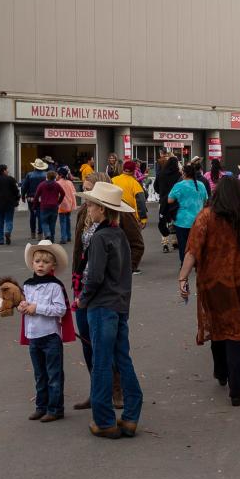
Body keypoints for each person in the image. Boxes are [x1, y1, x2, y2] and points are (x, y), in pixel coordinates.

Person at [179, 175, 240, 406]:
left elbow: (192, 250)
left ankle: (221, 372)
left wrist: (182, 277)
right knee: (235, 332)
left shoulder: (206, 217)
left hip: (212, 284)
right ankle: (236, 389)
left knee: (217, 325)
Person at [77, 182, 141, 439]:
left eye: (92, 204)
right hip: (119, 303)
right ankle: (131, 416)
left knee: (102, 362)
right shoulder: (119, 235)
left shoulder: (100, 237)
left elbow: (94, 276)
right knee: (122, 358)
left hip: (102, 305)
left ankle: (104, 420)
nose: (89, 208)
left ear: (102, 210)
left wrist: (83, 299)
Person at [18, 239, 74, 423]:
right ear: (32, 263)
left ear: (53, 265)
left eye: (45, 262)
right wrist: (22, 306)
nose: (41, 265)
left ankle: (55, 408)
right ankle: (41, 407)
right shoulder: (27, 285)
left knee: (54, 375)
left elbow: (61, 309)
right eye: (37, 261)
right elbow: (24, 305)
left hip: (50, 336)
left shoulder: (55, 286)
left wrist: (37, 308)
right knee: (39, 374)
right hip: (34, 336)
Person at [168, 162, 209, 265]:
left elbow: (170, 200)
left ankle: (184, 263)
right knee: (198, 243)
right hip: (198, 220)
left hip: (182, 220)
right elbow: (206, 200)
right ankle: (198, 262)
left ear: (184, 173)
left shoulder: (179, 185)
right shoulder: (201, 185)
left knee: (183, 245)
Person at [154, 156, 182, 254]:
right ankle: (175, 242)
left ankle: (165, 243)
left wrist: (162, 193)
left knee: (164, 222)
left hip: (163, 201)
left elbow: (155, 187)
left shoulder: (161, 174)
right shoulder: (179, 175)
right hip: (175, 202)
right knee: (174, 221)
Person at [32, 166, 66, 244]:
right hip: (54, 206)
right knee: (52, 223)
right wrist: (58, 202)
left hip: (44, 206)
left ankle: (47, 234)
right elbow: (63, 193)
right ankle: (52, 238)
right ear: (54, 177)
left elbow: (36, 196)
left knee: (44, 222)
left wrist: (34, 206)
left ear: (47, 176)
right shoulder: (57, 185)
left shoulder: (42, 185)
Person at [0, 164, 21, 245]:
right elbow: (16, 191)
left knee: (0, 221)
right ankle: (7, 231)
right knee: (9, 219)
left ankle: (0, 240)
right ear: (3, 171)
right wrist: (17, 200)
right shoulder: (11, 179)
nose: (8, 171)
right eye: (7, 170)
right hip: (9, 203)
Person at [20, 159, 49, 239]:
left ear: (34, 167)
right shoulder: (46, 175)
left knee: (32, 215)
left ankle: (32, 233)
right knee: (41, 216)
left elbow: (24, 186)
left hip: (31, 198)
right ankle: (40, 234)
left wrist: (22, 196)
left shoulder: (29, 175)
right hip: (43, 199)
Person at [113, 161, 147, 228]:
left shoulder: (113, 180)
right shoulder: (135, 184)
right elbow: (140, 201)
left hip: (114, 215)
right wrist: (143, 219)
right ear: (134, 171)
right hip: (130, 216)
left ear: (123, 169)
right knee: (131, 237)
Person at [55, 166, 77, 244]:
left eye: (57, 174)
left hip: (61, 205)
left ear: (60, 175)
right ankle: (69, 236)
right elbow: (74, 193)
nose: (56, 176)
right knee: (68, 220)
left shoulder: (57, 183)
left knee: (62, 222)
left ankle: (63, 238)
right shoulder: (69, 182)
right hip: (69, 204)